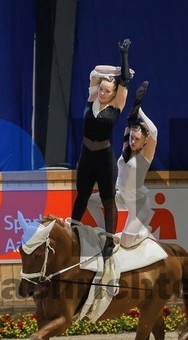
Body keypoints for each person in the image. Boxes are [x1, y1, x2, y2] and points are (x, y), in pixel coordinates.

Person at [71, 39, 132, 260]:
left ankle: (109, 241)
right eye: (101, 90)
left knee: (108, 200)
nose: (103, 93)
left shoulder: (117, 105)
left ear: (114, 94)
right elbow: (95, 70)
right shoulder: (91, 98)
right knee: (82, 195)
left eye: (107, 91)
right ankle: (72, 231)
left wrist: (124, 56)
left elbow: (125, 79)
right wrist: (115, 71)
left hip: (104, 158)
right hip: (86, 155)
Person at [87, 81, 157, 249]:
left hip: (139, 205)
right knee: (90, 201)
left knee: (126, 243)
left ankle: (145, 232)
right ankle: (105, 230)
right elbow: (130, 120)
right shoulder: (127, 148)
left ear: (145, 140)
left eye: (137, 139)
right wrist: (135, 103)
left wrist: (140, 108)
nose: (132, 141)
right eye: (131, 137)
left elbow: (154, 131)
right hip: (121, 197)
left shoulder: (145, 155)